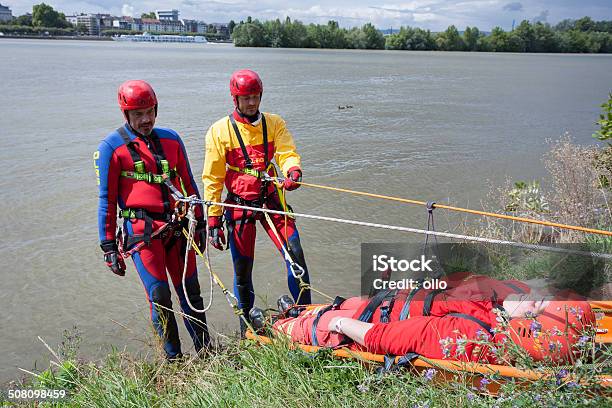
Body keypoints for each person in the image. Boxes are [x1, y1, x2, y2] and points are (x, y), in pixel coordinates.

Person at [95, 80, 209, 360]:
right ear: (126, 115)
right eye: (138, 114)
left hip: (178, 227)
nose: (146, 119)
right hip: (142, 235)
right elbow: (106, 200)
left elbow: (189, 183)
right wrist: (108, 246)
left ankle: (207, 354)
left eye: (150, 112)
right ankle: (174, 362)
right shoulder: (111, 147)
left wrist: (202, 223)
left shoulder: (172, 139)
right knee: (160, 299)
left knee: (191, 294)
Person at [272, 273, 596, 363]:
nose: (535, 294)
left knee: (314, 325)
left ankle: (276, 327)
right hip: (389, 304)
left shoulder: (468, 334)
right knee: (342, 305)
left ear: (523, 326)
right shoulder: (506, 302)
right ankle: (300, 311)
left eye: (538, 304)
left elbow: (380, 338)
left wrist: (338, 324)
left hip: (368, 326)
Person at [202, 69, 311, 332]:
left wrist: (293, 170)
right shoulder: (219, 131)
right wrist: (214, 219)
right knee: (242, 271)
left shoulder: (274, 124)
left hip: (272, 199)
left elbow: (286, 153)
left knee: (296, 256)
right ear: (235, 98)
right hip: (240, 204)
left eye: (256, 96)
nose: (252, 103)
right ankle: (246, 329)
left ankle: (304, 319)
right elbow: (213, 178)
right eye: (246, 97)